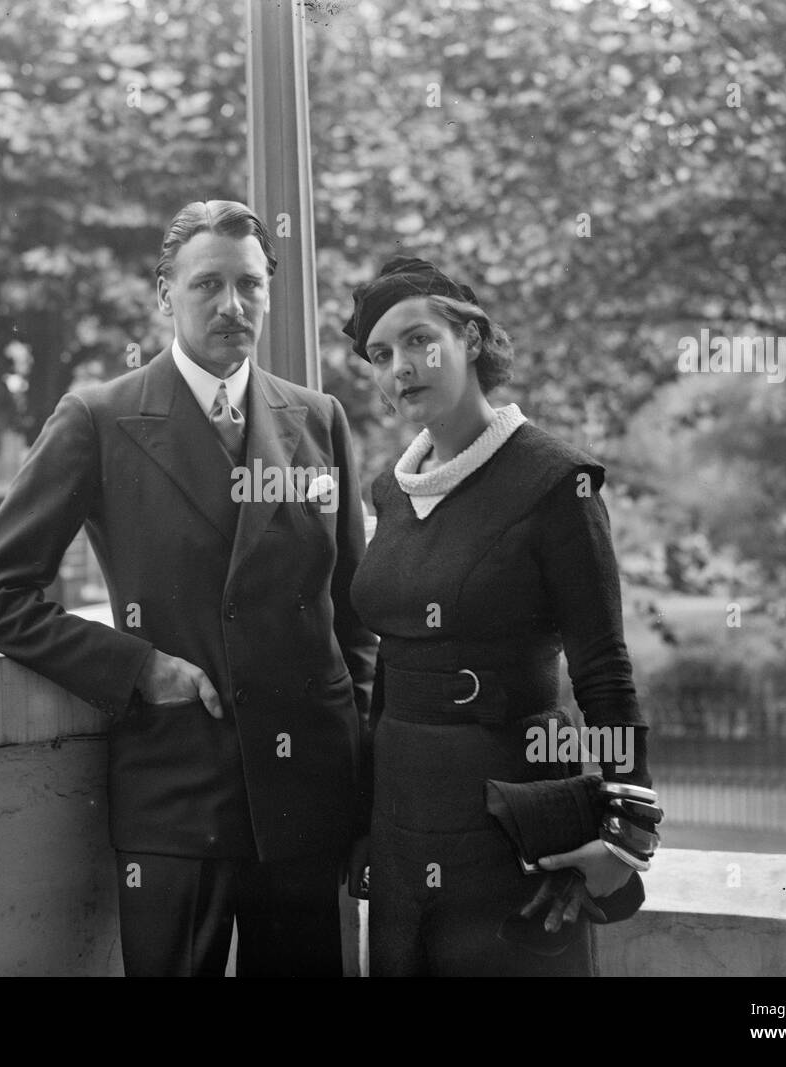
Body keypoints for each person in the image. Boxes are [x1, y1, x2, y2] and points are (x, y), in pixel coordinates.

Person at [0, 200, 377, 977]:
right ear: (164, 296)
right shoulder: (99, 418)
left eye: (250, 285)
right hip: (180, 798)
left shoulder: (318, 420)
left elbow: (353, 622)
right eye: (208, 285)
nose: (232, 306)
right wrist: (138, 667)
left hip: (307, 799)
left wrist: (361, 788)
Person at [342, 256, 657, 976]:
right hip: (399, 826)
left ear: (472, 339)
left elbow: (604, 669)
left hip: (511, 822)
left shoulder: (554, 483)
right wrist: (365, 825)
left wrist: (625, 833)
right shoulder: (390, 492)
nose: (401, 369)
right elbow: (386, 667)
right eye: (381, 356)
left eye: (420, 341)